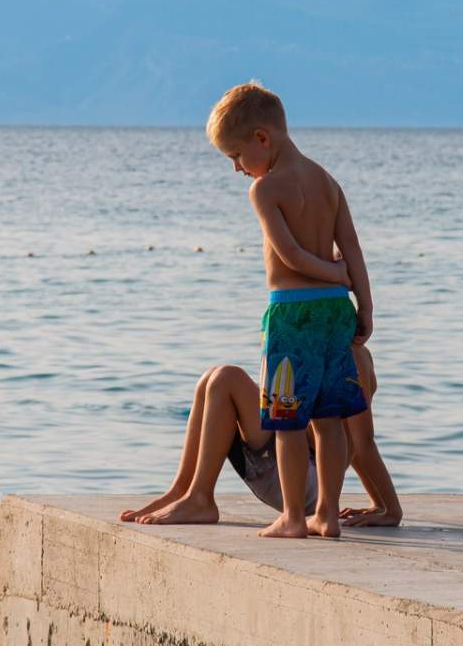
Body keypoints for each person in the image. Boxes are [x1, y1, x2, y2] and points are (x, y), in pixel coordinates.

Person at [210, 81, 374, 538]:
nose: (238, 169)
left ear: (263, 139)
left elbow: (290, 257)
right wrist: (364, 301)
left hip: (293, 317)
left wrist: (333, 274)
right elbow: (354, 248)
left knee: (286, 421)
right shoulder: (327, 182)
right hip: (335, 316)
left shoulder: (265, 191)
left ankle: (294, 518)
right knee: (328, 420)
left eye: (236, 157)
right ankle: (328, 513)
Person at [119, 343, 401, 529]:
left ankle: (200, 499)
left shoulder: (352, 358)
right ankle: (184, 491)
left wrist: (389, 508)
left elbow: (361, 441)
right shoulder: (323, 345)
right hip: (287, 466)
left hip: (305, 482)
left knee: (226, 379)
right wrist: (380, 505)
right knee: (212, 378)